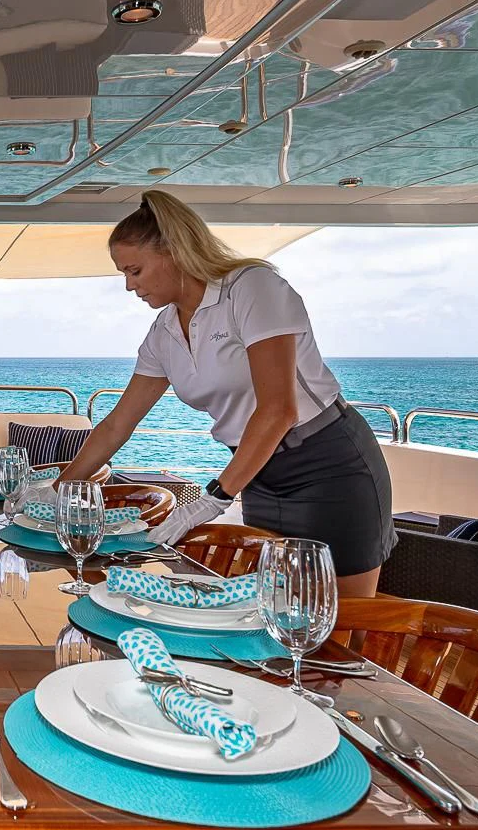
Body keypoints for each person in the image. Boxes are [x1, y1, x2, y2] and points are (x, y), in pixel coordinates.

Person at [54, 190, 394, 596]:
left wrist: (215, 497)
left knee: (340, 619)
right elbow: (116, 425)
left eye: (135, 271)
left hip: (327, 467)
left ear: (174, 253)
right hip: (257, 473)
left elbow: (279, 410)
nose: (129, 286)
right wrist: (58, 489)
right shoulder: (164, 331)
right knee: (271, 609)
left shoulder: (251, 289)